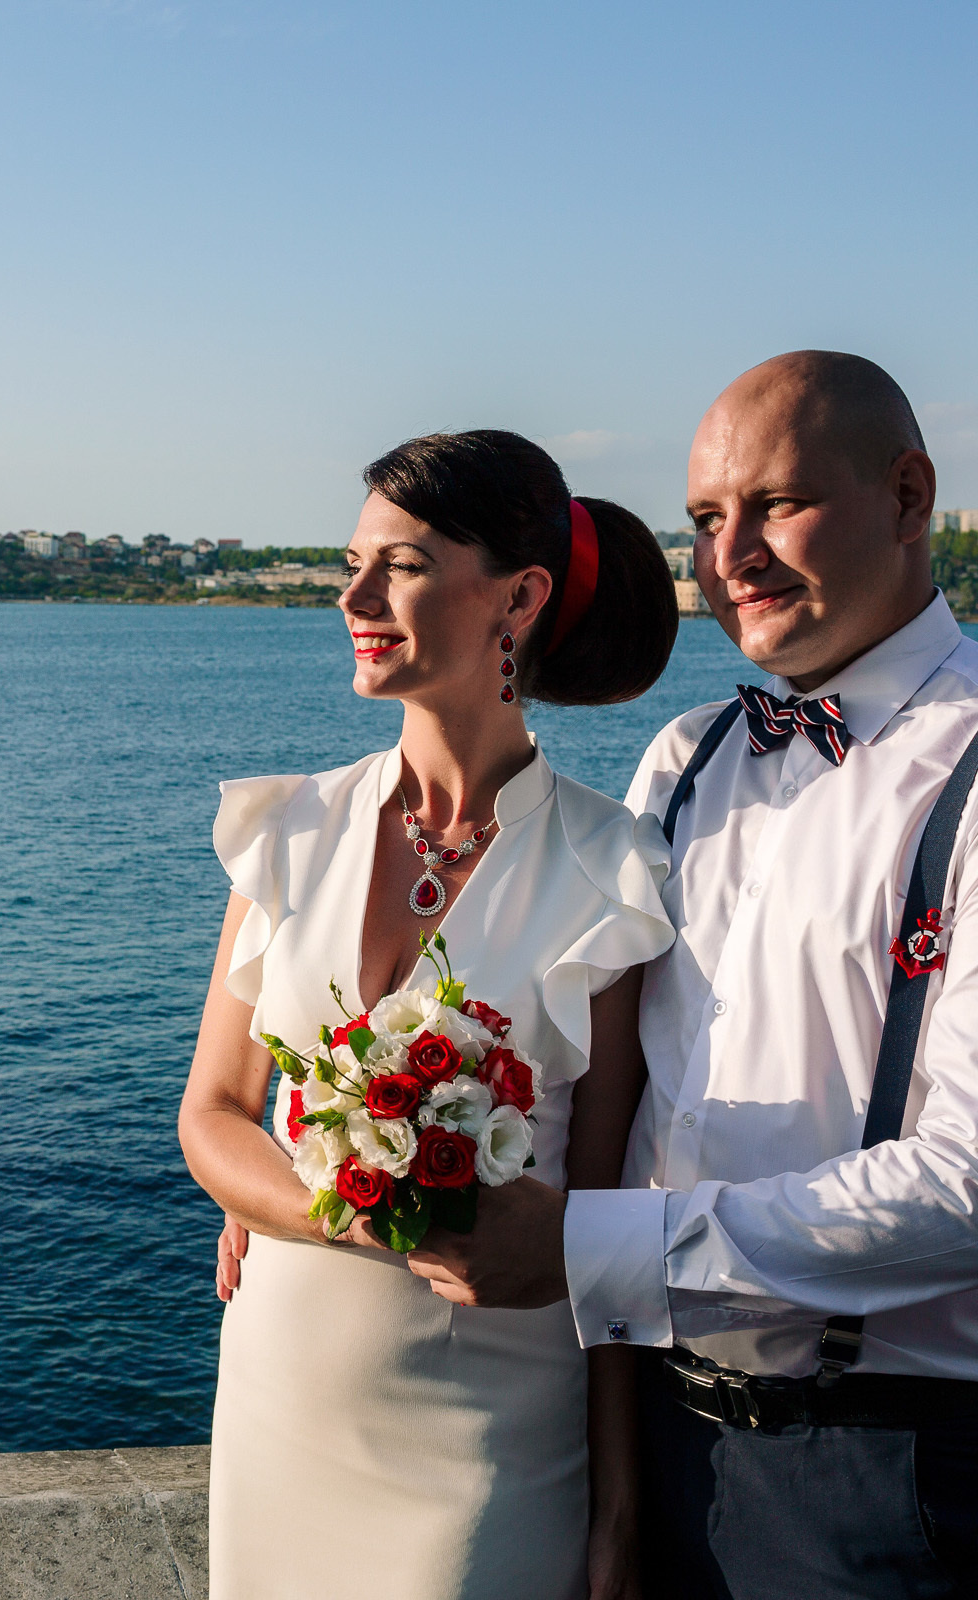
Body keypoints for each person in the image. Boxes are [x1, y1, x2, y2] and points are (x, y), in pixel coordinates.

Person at [392, 353, 978, 1598]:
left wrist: (590, 1245)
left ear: (909, 494)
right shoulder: (684, 758)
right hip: (654, 1434)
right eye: (707, 519)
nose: (733, 556)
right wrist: (328, 1156)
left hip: (888, 1473)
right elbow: (595, 1081)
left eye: (779, 505)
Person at [181, 430, 681, 1599]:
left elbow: (606, 1218)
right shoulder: (288, 829)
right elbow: (213, 1115)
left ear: (519, 597)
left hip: (488, 1434)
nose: (354, 596)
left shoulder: (612, 871)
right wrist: (358, 1211)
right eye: (352, 563)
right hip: (278, 1400)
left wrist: (620, 1509)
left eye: (401, 566)